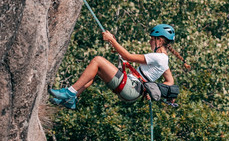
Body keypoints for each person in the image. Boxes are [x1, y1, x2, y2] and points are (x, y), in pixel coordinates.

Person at [49, 24, 181, 109]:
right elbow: (170, 81)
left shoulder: (158, 57)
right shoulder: (164, 60)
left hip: (131, 87)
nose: (150, 41)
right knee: (97, 70)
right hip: (133, 91)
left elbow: (128, 57)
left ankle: (70, 92)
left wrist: (111, 40)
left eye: (152, 38)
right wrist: (153, 90)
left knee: (97, 60)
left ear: (160, 40)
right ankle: (72, 98)